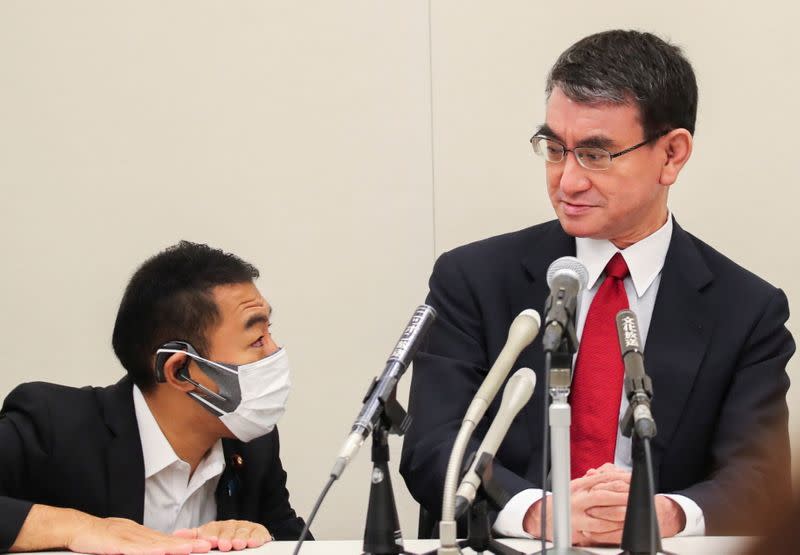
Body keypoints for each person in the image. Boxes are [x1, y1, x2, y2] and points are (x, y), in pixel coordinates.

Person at [400, 29, 794, 546]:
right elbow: (433, 445)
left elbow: (760, 477)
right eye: (555, 149)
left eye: (595, 154)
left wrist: (666, 513)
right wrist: (543, 512)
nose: (566, 181)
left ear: (672, 154)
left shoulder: (746, 309)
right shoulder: (473, 279)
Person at [0, 241, 309, 553]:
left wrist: (260, 539)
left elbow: (300, 543)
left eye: (269, 332)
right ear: (179, 371)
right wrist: (76, 527)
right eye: (257, 339)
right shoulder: (53, 425)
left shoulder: (252, 446)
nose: (275, 351)